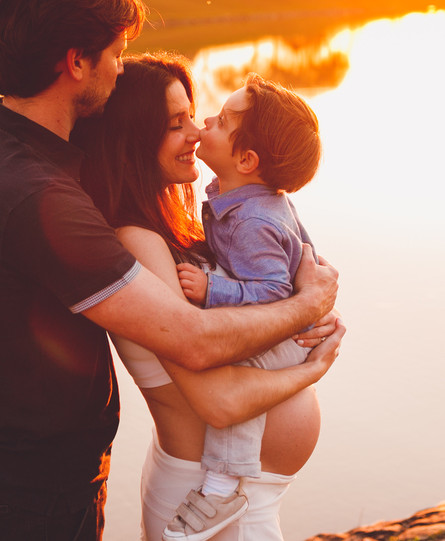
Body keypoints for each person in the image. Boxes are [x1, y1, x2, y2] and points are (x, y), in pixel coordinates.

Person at [0, 0, 339, 541]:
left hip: (58, 474)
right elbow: (199, 355)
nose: (198, 132)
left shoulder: (39, 161)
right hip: (28, 487)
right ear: (75, 62)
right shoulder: (39, 194)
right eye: (114, 51)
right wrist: (310, 324)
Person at [74, 53, 344, 541]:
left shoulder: (196, 221)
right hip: (207, 499)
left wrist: (312, 301)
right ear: (135, 140)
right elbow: (219, 401)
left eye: (194, 117)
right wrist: (311, 365)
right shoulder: (138, 240)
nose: (197, 133)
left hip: (238, 494)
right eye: (176, 125)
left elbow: (279, 277)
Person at [163, 73, 324, 541]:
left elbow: (273, 292)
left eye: (222, 119)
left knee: (237, 367)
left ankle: (220, 489)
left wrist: (215, 290)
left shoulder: (253, 219)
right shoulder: (244, 199)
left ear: (247, 159)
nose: (206, 120)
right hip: (292, 325)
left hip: (285, 333)